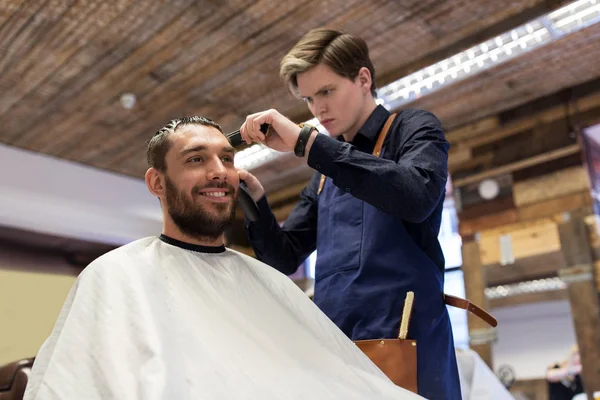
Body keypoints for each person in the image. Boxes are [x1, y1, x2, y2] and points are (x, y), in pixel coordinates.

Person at [23, 116, 424, 400]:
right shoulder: (115, 276)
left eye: (227, 159)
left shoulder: (266, 284)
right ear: (157, 182)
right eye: (197, 159)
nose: (220, 172)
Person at [238, 28, 460, 399]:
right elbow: (284, 255)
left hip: (407, 342)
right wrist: (254, 200)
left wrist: (308, 143)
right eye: (309, 98)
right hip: (336, 347)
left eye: (326, 91)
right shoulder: (325, 172)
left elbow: (416, 196)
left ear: (363, 79)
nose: (317, 109)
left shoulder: (414, 128)